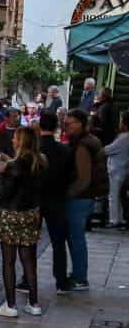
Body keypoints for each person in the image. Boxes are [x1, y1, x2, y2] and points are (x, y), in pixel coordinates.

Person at [0, 127, 46, 317]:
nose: (12, 140)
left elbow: (4, 193)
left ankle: (11, 305)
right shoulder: (40, 161)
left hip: (11, 214)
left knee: (9, 260)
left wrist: (0, 173)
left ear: (21, 141)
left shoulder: (13, 166)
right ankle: (34, 302)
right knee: (29, 261)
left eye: (15, 138)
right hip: (31, 213)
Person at [65, 109, 109, 291]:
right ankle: (79, 274)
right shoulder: (90, 140)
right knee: (76, 237)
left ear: (80, 124)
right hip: (86, 196)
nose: (66, 126)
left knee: (76, 238)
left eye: (69, 123)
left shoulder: (83, 145)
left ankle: (80, 277)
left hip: (80, 197)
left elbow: (84, 179)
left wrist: (67, 195)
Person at [37, 111, 73, 295]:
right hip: (57, 199)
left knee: (30, 242)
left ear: (39, 126)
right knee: (59, 243)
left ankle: (27, 279)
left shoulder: (34, 148)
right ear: (56, 127)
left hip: (35, 199)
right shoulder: (64, 149)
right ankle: (61, 281)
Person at [103, 111, 129, 228]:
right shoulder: (124, 137)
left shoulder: (124, 137)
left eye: (120, 121)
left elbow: (108, 150)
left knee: (113, 196)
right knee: (118, 196)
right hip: (122, 168)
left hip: (116, 170)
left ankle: (114, 220)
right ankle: (120, 218)